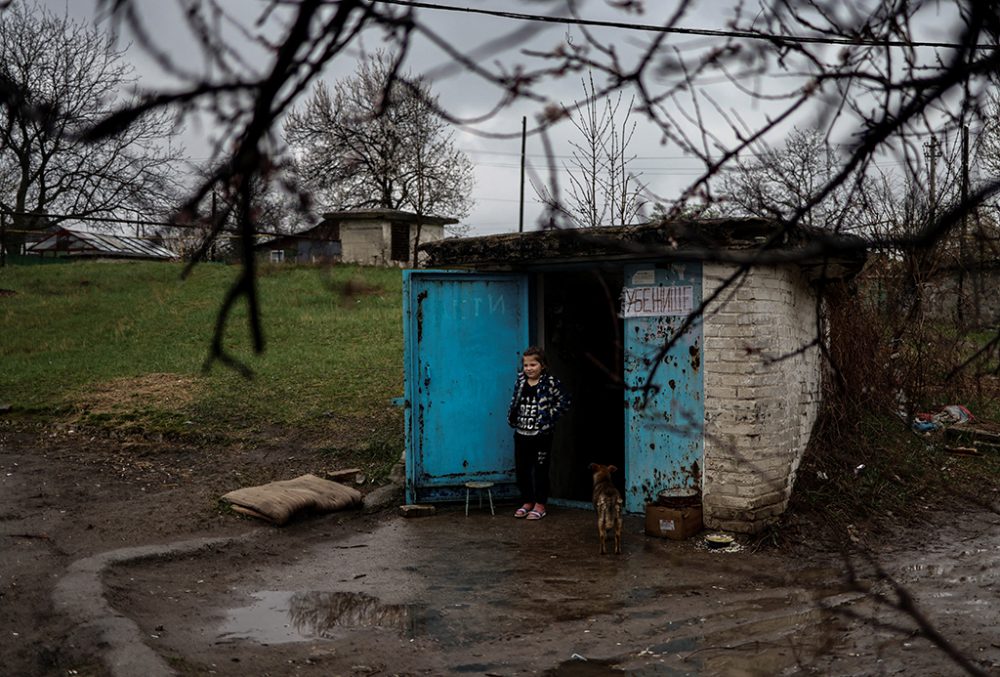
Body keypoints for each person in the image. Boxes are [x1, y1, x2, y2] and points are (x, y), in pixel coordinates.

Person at [507, 345, 570, 520]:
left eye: (533, 365)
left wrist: (549, 416)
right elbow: (515, 401)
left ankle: (540, 504)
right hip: (521, 434)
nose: (529, 369)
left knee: (540, 470)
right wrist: (512, 417)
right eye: (526, 365)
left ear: (542, 365)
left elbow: (565, 401)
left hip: (541, 436)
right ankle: (527, 501)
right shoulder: (520, 382)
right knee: (522, 469)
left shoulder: (550, 383)